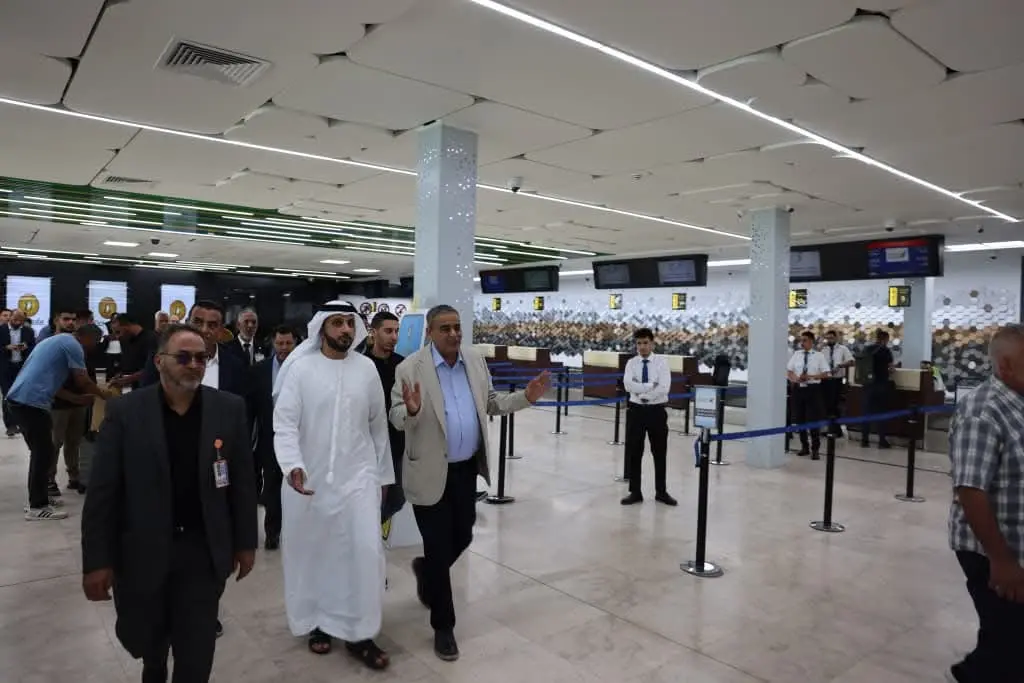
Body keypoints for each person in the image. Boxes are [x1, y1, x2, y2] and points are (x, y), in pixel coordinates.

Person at [81, 323, 258, 683]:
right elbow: (103, 492)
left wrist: (245, 543)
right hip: (142, 550)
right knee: (149, 640)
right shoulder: (127, 412)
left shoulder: (227, 409)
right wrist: (97, 560)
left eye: (201, 358)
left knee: (196, 650)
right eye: (184, 357)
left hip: (201, 550)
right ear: (159, 361)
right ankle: (154, 666)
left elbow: (242, 483)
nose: (194, 365)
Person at [390, 304, 548, 662]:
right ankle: (443, 627)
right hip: (429, 471)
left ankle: (427, 572)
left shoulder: (474, 361)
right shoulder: (409, 367)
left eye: (457, 327)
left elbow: (490, 403)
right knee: (437, 545)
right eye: (445, 328)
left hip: (464, 472)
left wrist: (526, 397)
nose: (453, 334)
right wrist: (411, 410)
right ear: (430, 332)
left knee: (463, 535)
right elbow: (396, 416)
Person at [272, 302, 394, 668]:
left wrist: (383, 477)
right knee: (315, 553)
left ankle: (360, 633)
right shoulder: (301, 368)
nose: (345, 330)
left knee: (363, 553)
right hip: (309, 481)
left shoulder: (366, 369)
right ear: (322, 328)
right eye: (337, 323)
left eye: (350, 323)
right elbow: (285, 422)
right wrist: (292, 464)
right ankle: (318, 623)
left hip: (359, 478)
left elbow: (378, 427)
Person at [945, 324, 1024, 683]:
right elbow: (970, 490)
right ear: (1005, 365)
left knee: (1006, 633)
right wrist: (1001, 560)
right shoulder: (982, 411)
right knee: (1010, 637)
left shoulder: (1017, 403)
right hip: (989, 548)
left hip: (1014, 540)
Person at [5, 324, 110, 520]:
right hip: (30, 403)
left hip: (21, 399)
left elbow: (53, 384)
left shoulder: (56, 342)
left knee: (42, 453)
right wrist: (105, 395)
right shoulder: (74, 346)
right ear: (87, 337)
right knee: (42, 453)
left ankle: (41, 496)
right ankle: (37, 507)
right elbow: (82, 380)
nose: (94, 347)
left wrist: (76, 399)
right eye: (96, 342)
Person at [251, 325, 297, 550]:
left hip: (299, 439)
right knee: (271, 486)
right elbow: (252, 407)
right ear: (273, 343)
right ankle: (272, 533)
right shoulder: (259, 370)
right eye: (280, 343)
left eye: (288, 343)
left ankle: (296, 533)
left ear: (295, 344)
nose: (284, 348)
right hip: (269, 438)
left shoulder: (305, 369)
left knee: (297, 487)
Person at [621, 328, 677, 506]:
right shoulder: (631, 363)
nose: (642, 347)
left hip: (656, 412)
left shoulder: (661, 362)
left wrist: (645, 395)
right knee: (634, 452)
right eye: (639, 343)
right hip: (636, 411)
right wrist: (649, 386)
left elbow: (664, 387)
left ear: (652, 343)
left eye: (645, 343)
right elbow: (628, 385)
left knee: (659, 452)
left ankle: (661, 491)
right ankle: (635, 492)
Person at [365, 311, 407, 525]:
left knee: (397, 497)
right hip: (368, 443)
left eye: (397, 331)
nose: (394, 337)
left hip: (397, 442)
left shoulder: (403, 365)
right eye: (388, 331)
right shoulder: (362, 365)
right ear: (373, 332)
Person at [787, 330, 830, 459]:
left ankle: (815, 449)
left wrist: (810, 377)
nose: (802, 343)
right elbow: (789, 371)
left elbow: (826, 374)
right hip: (799, 389)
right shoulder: (797, 354)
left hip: (813, 389)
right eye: (801, 340)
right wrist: (795, 379)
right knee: (800, 419)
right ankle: (804, 446)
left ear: (811, 341)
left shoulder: (819, 356)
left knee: (813, 419)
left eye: (805, 340)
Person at [1, 309, 36, 437]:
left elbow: (33, 347)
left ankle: (21, 422)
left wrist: (26, 347)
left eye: (20, 321)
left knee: (22, 395)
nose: (17, 322)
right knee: (7, 395)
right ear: (10, 317)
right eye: (15, 320)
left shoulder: (28, 331)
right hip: (5, 367)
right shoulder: (1, 330)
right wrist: (6, 348)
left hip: (22, 367)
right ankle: (10, 425)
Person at [860, 328, 894, 449]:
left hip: (867, 385)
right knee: (881, 413)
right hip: (880, 385)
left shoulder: (867, 349)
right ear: (886, 339)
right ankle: (881, 441)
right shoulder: (885, 350)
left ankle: (864, 440)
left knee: (866, 413)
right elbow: (891, 368)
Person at [110, 313, 158, 390]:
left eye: (118, 332)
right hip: (130, 390)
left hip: (147, 389)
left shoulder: (152, 339)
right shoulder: (125, 341)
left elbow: (153, 368)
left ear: (128, 325)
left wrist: (128, 379)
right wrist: (119, 376)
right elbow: (129, 367)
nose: (117, 337)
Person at [822, 330, 854, 436]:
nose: (829, 340)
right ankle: (829, 428)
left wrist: (840, 365)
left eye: (831, 338)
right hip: (825, 380)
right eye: (827, 338)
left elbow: (851, 361)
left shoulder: (842, 349)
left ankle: (836, 430)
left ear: (836, 338)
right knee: (827, 405)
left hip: (836, 380)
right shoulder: (823, 349)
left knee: (835, 404)